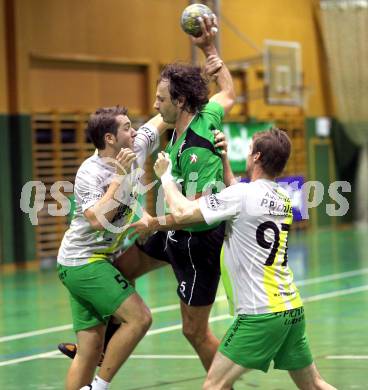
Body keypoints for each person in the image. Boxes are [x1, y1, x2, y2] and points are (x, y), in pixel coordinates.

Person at [153, 128, 337, 390]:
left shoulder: (241, 196)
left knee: (213, 386)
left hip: (259, 314)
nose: (247, 153)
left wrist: (166, 175)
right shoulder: (282, 198)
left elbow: (182, 213)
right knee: (315, 385)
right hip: (290, 309)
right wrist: (225, 159)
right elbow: (240, 192)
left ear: (257, 157)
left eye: (250, 149)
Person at [114, 14, 235, 372]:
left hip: (196, 242)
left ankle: (219, 384)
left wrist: (153, 222)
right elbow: (228, 92)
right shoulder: (204, 116)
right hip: (171, 232)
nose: (155, 105)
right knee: (118, 272)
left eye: (160, 98)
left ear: (180, 101)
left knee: (194, 331)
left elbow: (194, 213)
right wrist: (208, 48)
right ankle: (101, 346)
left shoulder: (198, 148)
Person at [57, 106, 169, 390]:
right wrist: (119, 177)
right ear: (110, 138)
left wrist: (192, 96)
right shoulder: (90, 172)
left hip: (97, 260)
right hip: (83, 261)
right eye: (127, 127)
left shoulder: (136, 146)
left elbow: (162, 119)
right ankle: (99, 387)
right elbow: (97, 220)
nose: (134, 132)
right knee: (139, 318)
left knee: (89, 349)